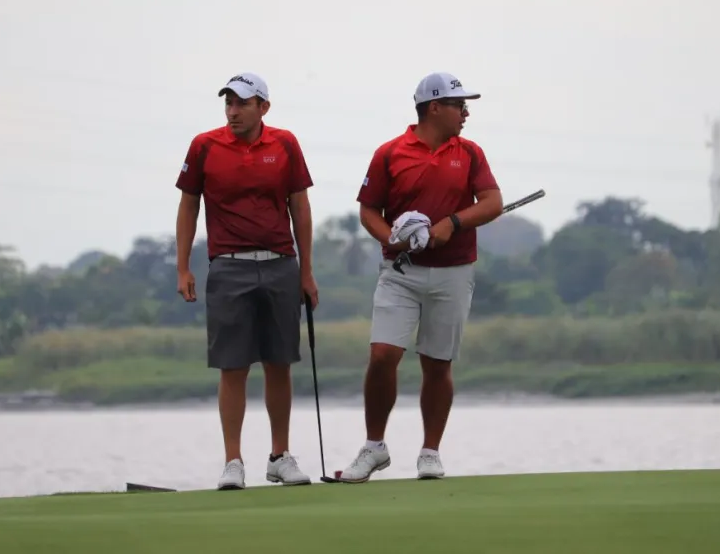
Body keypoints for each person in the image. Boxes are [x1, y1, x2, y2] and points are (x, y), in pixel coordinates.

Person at [338, 72, 504, 483]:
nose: (465, 113)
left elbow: (493, 202)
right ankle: (374, 447)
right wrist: (393, 238)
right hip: (400, 273)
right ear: (434, 107)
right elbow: (368, 211)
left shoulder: (470, 153)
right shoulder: (390, 153)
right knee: (382, 356)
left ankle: (430, 452)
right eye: (458, 105)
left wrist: (452, 222)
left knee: (437, 363)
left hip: (453, 273)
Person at [174, 72, 319, 490]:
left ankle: (279, 456)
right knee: (232, 366)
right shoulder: (205, 146)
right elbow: (188, 207)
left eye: (242, 103)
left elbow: (300, 209)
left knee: (279, 363)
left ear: (263, 107)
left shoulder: (285, 144)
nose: (233, 111)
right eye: (228, 103)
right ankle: (233, 461)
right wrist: (183, 266)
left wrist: (306, 270)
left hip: (279, 263)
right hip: (228, 265)